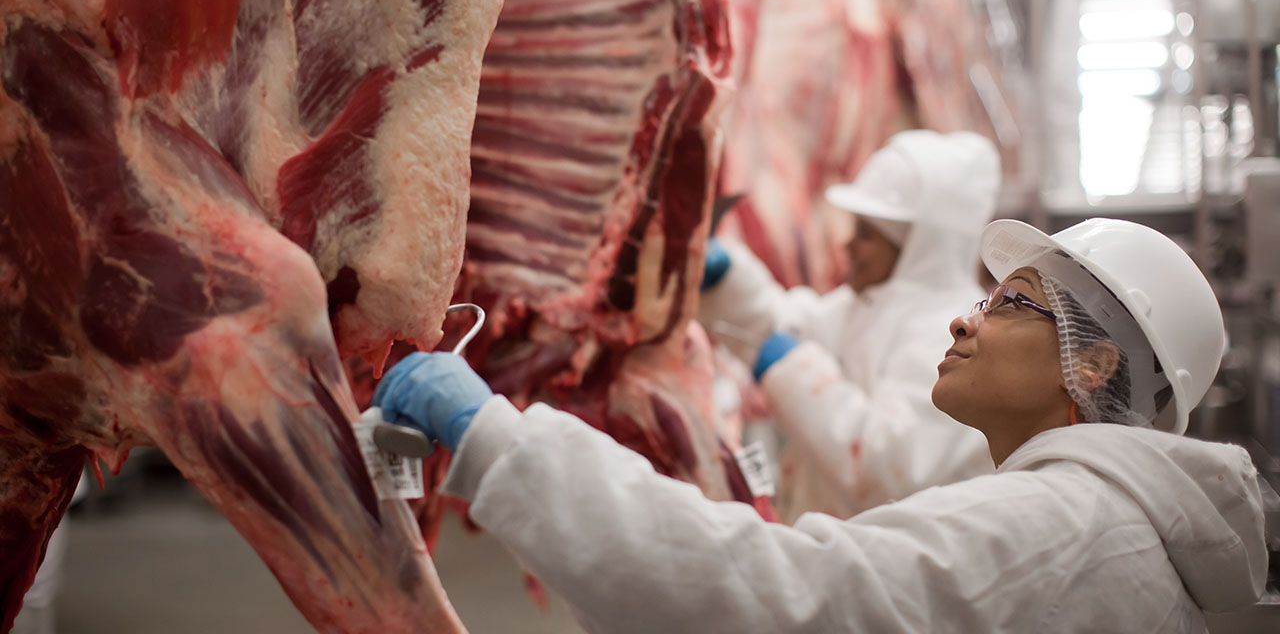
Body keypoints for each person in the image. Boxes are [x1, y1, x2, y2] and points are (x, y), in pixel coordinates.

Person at [375, 217, 1268, 633]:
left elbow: (771, 593)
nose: (964, 323)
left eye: (1011, 306)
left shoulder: (1057, 529)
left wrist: (494, 434)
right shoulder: (1089, 521)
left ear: (1098, 362)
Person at [698, 130, 1001, 518]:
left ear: (916, 248)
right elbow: (787, 326)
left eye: (867, 235)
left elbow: (888, 465)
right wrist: (726, 279)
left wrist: (789, 369)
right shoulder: (864, 305)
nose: (847, 244)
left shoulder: (954, 333)